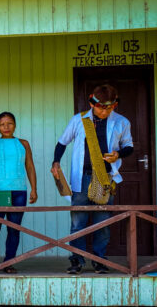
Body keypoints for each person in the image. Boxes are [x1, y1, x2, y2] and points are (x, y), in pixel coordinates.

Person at [51, 84, 134, 274]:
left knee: (102, 222)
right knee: (77, 222)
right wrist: (56, 162)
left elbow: (129, 147)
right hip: (81, 178)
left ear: (115, 105)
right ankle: (76, 261)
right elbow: (62, 143)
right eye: (101, 107)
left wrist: (118, 154)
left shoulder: (122, 122)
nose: (105, 111)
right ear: (92, 102)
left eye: (109, 107)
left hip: (105, 178)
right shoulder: (79, 120)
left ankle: (99, 261)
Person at [0, 112, 38, 273]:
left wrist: (34, 188)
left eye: (9, 123)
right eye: (2, 124)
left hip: (19, 191)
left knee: (14, 228)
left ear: (15, 125)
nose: (6, 127)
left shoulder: (23, 143)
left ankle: (8, 262)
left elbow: (29, 167)